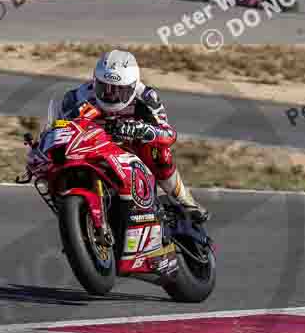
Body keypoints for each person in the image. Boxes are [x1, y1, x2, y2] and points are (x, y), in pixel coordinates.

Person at [46, 49, 209, 221]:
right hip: (91, 147)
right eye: (104, 88)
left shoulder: (146, 97)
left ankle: (184, 200)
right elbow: (59, 128)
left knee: (159, 151)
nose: (110, 95)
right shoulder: (77, 97)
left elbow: (169, 134)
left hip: (131, 149)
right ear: (95, 81)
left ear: (133, 85)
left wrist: (142, 130)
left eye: (118, 90)